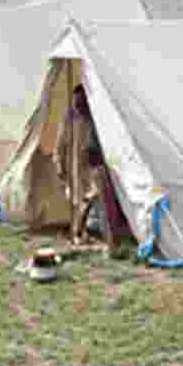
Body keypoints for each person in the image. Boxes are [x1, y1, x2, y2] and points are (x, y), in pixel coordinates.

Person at [54, 85, 129, 256]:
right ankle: (80, 233)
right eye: (75, 101)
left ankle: (105, 238)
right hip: (75, 168)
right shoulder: (69, 119)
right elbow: (60, 144)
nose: (78, 105)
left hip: (92, 168)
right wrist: (59, 165)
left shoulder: (95, 119)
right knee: (80, 201)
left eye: (81, 101)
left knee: (91, 200)